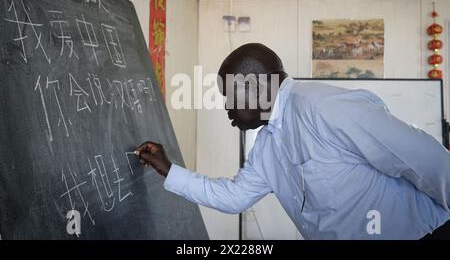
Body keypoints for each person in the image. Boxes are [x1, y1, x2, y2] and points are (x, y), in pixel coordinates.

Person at [135, 43, 450, 239]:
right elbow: (234, 197)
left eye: (229, 97)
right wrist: (168, 169)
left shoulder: (324, 107)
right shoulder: (268, 146)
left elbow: (425, 160)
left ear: (256, 88)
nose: (226, 107)